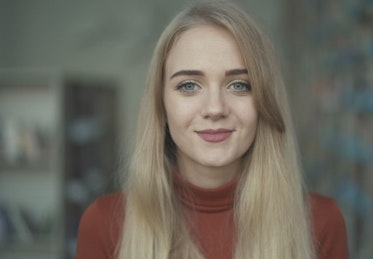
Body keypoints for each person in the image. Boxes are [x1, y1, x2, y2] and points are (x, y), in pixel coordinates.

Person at [76, 1, 348, 259]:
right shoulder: (103, 225)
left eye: (239, 85)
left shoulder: (321, 222)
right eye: (189, 86)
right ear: (161, 104)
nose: (215, 108)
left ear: (264, 100)